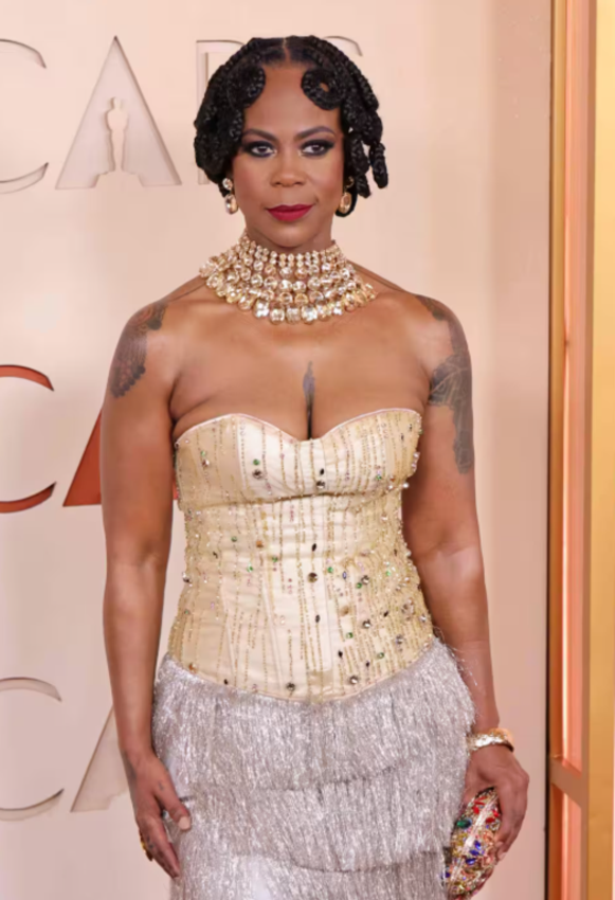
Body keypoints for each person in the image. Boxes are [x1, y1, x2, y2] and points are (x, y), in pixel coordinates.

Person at [100, 35, 529, 900]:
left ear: (349, 158)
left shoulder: (426, 332)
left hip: (401, 733)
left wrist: (487, 729)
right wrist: (136, 747)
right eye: (260, 147)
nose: (288, 175)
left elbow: (448, 546)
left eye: (315, 145)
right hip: (226, 745)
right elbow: (135, 560)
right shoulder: (159, 341)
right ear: (226, 162)